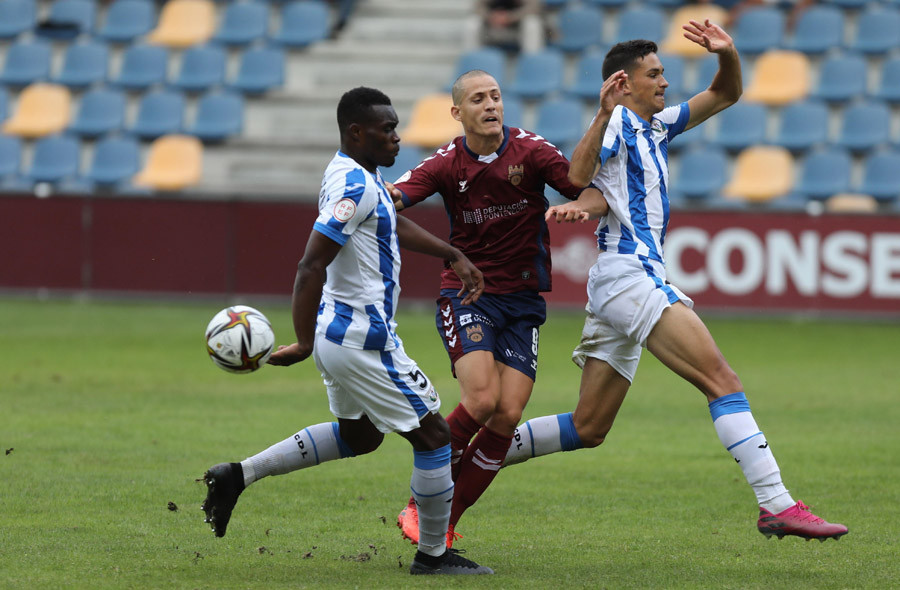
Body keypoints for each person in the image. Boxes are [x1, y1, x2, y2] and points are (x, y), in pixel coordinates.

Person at [499, 21, 848, 541]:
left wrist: (727, 52)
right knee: (722, 381)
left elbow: (727, 92)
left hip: (620, 281)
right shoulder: (616, 125)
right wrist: (601, 114)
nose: (665, 82)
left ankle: (477, 454)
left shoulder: (658, 126)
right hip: (630, 276)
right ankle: (776, 503)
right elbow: (576, 175)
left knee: (589, 427)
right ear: (624, 83)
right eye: (654, 74)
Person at [200, 86, 494, 575]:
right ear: (357, 132)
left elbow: (388, 224)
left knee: (361, 438)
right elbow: (309, 265)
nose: (397, 138)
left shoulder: (354, 175)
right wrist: (303, 341)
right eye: (386, 130)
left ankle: (238, 475)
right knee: (435, 435)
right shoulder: (354, 186)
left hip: (340, 337)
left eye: (397, 127)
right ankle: (434, 556)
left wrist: (451, 253)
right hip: (362, 339)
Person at [389, 69, 607, 546]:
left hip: (523, 303)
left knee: (507, 415)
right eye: (478, 99)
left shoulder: (531, 151)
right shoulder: (446, 163)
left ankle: (445, 522)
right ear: (457, 113)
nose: (491, 105)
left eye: (496, 97)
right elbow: (395, 198)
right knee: (483, 400)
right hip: (468, 295)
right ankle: (419, 501)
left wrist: (584, 208)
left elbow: (586, 188)